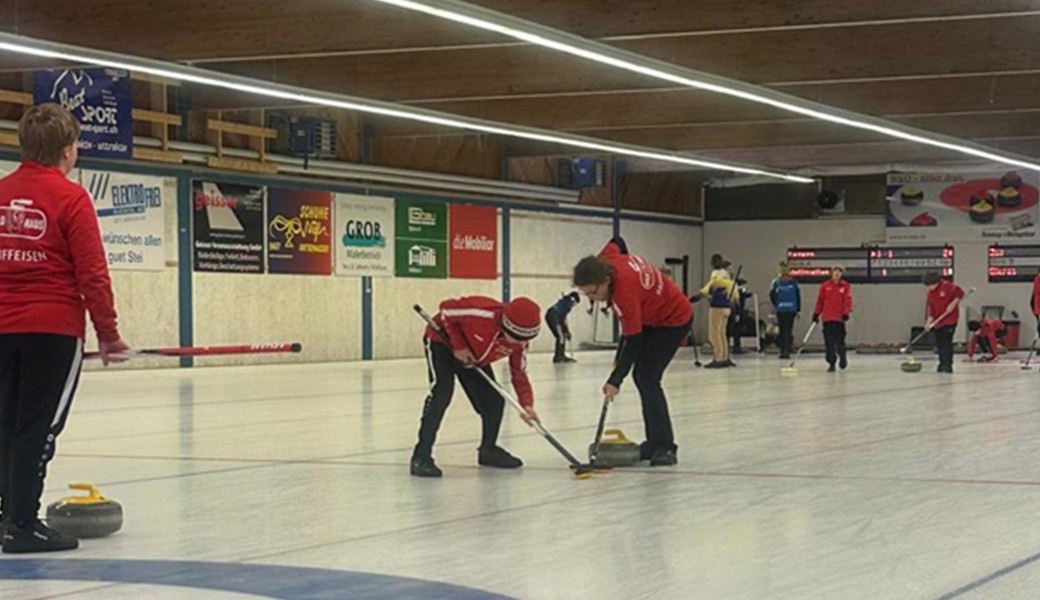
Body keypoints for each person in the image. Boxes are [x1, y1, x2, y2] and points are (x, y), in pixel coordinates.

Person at [0, 104, 130, 554]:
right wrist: (109, 334)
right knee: (36, 429)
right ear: (68, 151)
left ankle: (5, 518)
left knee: (4, 424)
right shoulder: (72, 198)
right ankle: (20, 523)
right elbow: (92, 274)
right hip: (51, 330)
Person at [573, 237, 692, 466]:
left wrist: (615, 380)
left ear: (605, 280)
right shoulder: (606, 259)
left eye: (593, 293)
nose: (593, 299)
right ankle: (654, 442)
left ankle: (666, 446)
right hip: (651, 313)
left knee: (647, 377)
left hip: (674, 319)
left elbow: (633, 341)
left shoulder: (624, 295)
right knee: (643, 377)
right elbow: (618, 240)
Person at [410, 295, 541, 478]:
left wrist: (527, 405)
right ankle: (421, 456)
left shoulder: (521, 341)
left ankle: (488, 450)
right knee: (442, 393)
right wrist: (459, 346)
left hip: (473, 355)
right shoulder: (480, 313)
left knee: (494, 400)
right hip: (442, 343)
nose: (520, 344)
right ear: (505, 326)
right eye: (517, 338)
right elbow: (446, 309)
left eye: (526, 339)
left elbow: (518, 373)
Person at [694, 259, 736, 368]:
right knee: (722, 333)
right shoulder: (729, 280)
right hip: (727, 308)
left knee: (714, 334)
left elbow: (708, 290)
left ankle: (718, 358)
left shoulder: (717, 276)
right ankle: (725, 357)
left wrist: (699, 296)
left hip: (717, 307)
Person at [924, 271, 965, 374]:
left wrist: (953, 304)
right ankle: (941, 363)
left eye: (931, 285)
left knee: (946, 342)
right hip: (938, 322)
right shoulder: (930, 293)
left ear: (937, 282)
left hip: (950, 319)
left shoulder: (948, 286)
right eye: (928, 285)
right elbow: (932, 310)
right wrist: (928, 322)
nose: (930, 287)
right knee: (939, 343)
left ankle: (947, 365)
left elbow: (961, 293)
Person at [813, 266, 852, 372]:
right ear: (831, 273)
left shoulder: (845, 286)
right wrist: (816, 313)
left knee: (840, 341)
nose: (837, 274)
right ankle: (831, 362)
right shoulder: (825, 286)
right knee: (829, 342)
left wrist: (846, 313)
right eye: (835, 271)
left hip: (839, 319)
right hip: (827, 318)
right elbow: (820, 301)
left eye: (839, 272)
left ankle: (842, 357)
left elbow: (847, 300)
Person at [770, 265, 801, 359]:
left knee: (782, 330)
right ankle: (786, 350)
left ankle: (783, 351)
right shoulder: (794, 283)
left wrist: (776, 305)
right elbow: (798, 297)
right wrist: (798, 309)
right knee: (788, 330)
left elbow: (772, 295)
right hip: (791, 309)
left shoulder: (777, 283)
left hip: (781, 309)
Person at [545, 291, 581, 363]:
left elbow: (563, 318)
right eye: (575, 304)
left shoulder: (565, 300)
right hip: (554, 316)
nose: (574, 305)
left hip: (551, 315)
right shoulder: (570, 301)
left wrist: (566, 331)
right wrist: (567, 331)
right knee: (561, 336)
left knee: (561, 336)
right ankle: (559, 356)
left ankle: (561, 355)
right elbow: (564, 319)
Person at [727, 278, 752, 355]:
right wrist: (737, 314)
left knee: (735, 330)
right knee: (736, 330)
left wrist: (747, 295)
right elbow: (738, 303)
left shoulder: (740, 291)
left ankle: (735, 347)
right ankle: (736, 348)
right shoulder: (737, 292)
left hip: (737, 312)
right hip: (736, 312)